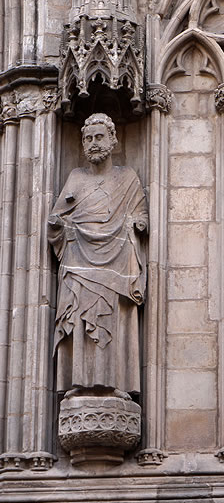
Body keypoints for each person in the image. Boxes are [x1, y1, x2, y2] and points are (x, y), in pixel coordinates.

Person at [48, 113, 147, 398]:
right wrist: (58, 225)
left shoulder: (127, 178)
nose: (93, 143)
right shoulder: (75, 178)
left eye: (99, 137)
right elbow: (56, 219)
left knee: (114, 319)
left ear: (113, 140)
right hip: (78, 259)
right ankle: (77, 382)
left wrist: (138, 223)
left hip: (116, 260)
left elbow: (141, 214)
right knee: (80, 317)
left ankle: (118, 384)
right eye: (88, 138)